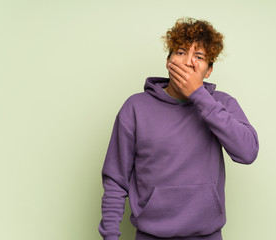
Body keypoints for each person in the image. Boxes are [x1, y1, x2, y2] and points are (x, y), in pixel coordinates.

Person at [98, 17, 259, 240]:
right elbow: (116, 181)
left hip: (207, 235)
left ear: (209, 70)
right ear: (168, 61)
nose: (188, 62)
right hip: (150, 234)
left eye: (199, 57)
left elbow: (248, 152)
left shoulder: (221, 104)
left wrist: (199, 96)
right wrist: (110, 237)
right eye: (181, 52)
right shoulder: (135, 107)